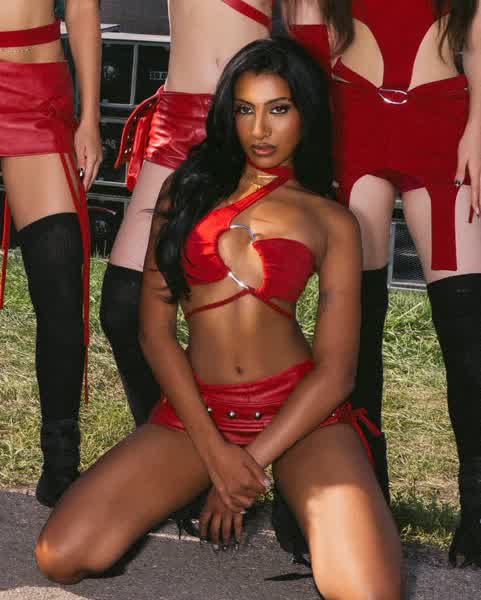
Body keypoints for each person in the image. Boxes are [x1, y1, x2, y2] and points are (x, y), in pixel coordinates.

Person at [35, 38, 402, 597]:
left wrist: (245, 468)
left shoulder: (332, 220)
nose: (260, 129)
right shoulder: (184, 193)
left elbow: (336, 373)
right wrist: (216, 455)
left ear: (305, 113)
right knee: (61, 556)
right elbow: (155, 332)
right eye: (245, 109)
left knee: (370, 593)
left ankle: (308, 501)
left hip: (300, 415)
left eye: (279, 109)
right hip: (197, 413)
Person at [284, 0, 481, 566]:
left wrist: (478, 128)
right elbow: (309, 37)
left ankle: (478, 509)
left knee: (468, 333)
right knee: (356, 331)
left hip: (444, 119)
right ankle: (362, 498)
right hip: (354, 115)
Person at [100, 0, 276, 426]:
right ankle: (165, 438)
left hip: (247, 120)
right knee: (124, 308)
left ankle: (239, 443)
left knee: (234, 315)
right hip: (177, 116)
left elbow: (313, 25)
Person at [0, 0, 102, 507]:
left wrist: (90, 118)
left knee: (60, 282)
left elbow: (82, 7)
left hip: (37, 87)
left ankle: (60, 465)